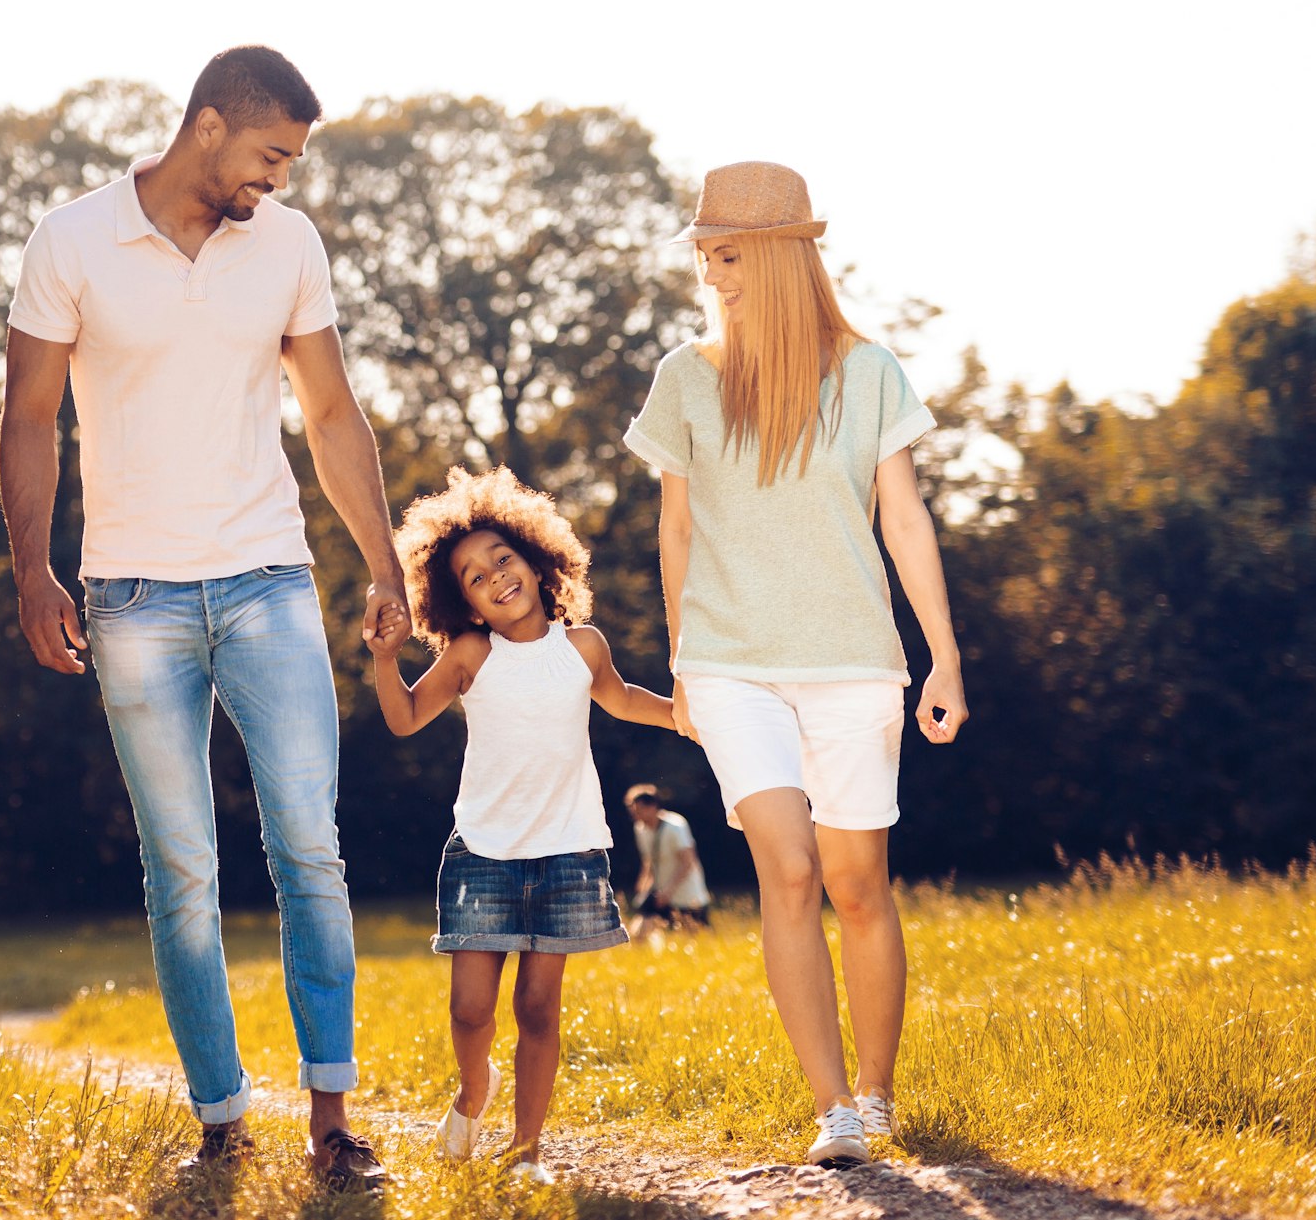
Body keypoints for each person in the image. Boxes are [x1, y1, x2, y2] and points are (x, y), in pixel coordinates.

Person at [0, 45, 407, 1190]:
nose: (278, 179)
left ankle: (332, 1117)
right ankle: (221, 1114)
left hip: (269, 577)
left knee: (309, 852)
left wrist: (383, 563)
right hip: (129, 593)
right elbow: (28, 417)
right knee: (179, 864)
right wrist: (32, 569)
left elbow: (328, 411)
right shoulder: (70, 240)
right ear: (211, 126)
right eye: (271, 154)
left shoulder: (286, 244)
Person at [624, 162, 969, 1169]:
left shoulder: (868, 373)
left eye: (726, 256)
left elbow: (902, 519)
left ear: (781, 257)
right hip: (731, 663)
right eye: (703, 256)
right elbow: (675, 530)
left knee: (858, 880)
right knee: (788, 863)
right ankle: (833, 1108)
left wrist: (941, 656)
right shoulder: (684, 377)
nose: (711, 276)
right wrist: (685, 662)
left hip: (853, 659)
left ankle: (877, 1088)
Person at [366, 466, 675, 1184]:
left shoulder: (584, 645)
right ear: (461, 600)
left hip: (568, 851)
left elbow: (624, 698)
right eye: (474, 576)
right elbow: (406, 716)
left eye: (502, 557)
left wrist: (687, 716)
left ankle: (527, 1147)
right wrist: (385, 660)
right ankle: (475, 1089)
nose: (495, 576)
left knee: (539, 1008)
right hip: (484, 852)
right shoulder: (473, 653)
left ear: (537, 558)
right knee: (471, 1009)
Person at [623, 784, 711, 935]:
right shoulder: (640, 829)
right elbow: (649, 860)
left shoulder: (675, 826)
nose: (635, 816)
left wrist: (669, 891)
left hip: (687, 895)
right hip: (660, 893)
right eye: (633, 812)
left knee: (695, 939)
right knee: (638, 934)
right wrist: (643, 885)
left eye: (639, 811)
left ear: (653, 807)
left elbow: (688, 862)